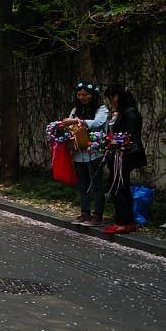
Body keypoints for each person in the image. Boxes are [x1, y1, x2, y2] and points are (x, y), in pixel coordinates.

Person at [58, 81, 110, 226]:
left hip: (95, 152)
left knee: (96, 185)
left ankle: (98, 215)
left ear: (93, 95)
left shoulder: (102, 109)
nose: (82, 97)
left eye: (85, 94)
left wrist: (76, 121)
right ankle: (84, 213)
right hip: (78, 152)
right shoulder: (75, 110)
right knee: (82, 184)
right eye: (79, 94)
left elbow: (97, 122)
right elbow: (69, 125)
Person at [102, 84, 146, 235]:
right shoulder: (122, 113)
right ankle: (126, 220)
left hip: (124, 155)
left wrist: (112, 142)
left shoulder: (130, 113)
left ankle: (123, 222)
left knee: (119, 187)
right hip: (118, 154)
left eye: (110, 98)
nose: (110, 102)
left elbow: (128, 136)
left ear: (116, 97)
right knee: (121, 186)